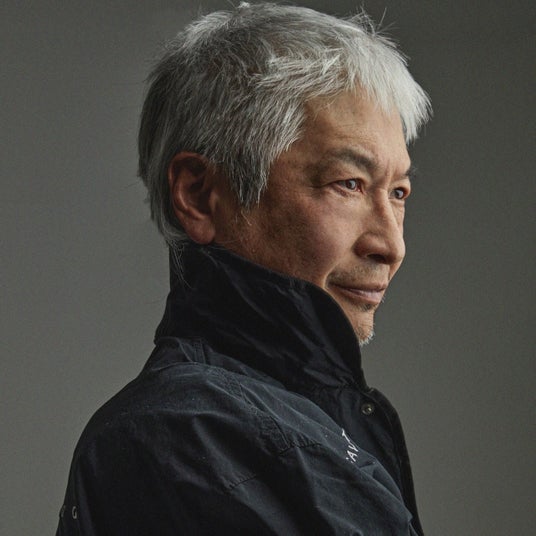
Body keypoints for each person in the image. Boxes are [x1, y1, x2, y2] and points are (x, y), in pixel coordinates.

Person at [57, 3, 431, 534]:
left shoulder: (319, 425)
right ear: (199, 195)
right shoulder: (185, 438)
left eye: (398, 192)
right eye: (348, 184)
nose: (391, 245)